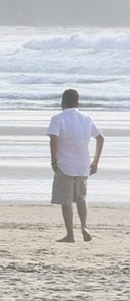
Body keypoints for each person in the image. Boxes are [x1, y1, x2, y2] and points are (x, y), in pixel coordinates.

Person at [49, 87, 104, 243]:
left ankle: (70, 234)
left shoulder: (58, 119)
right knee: (81, 198)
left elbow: (53, 140)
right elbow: (100, 138)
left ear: (62, 103)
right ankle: (84, 226)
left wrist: (53, 160)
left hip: (65, 164)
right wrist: (96, 161)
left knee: (66, 200)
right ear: (78, 103)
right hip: (83, 164)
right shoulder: (86, 118)